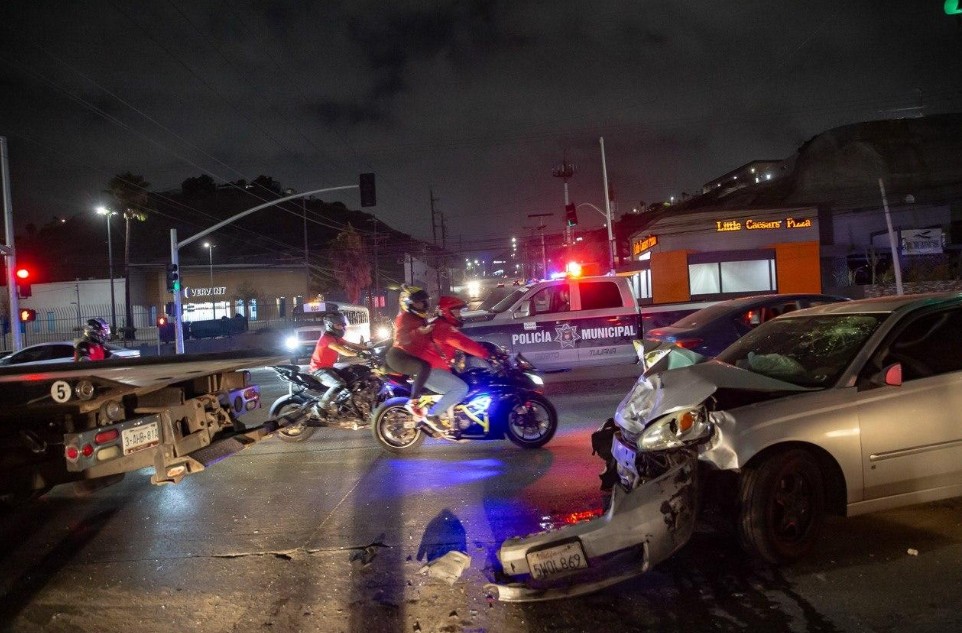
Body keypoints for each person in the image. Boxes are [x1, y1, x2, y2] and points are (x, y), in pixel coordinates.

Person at [418, 295, 496, 431]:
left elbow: (461, 344)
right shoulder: (444, 328)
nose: (459, 314)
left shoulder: (439, 324)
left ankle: (456, 415)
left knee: (471, 369)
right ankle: (432, 414)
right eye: (456, 311)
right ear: (446, 311)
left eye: (459, 311)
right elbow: (464, 343)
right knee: (461, 389)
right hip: (431, 371)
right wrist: (487, 354)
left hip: (432, 369)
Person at [385, 285, 434, 419]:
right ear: (409, 304)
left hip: (409, 355)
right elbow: (401, 339)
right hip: (399, 356)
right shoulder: (403, 318)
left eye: (423, 302)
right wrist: (419, 332)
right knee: (424, 367)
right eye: (418, 302)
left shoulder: (419, 318)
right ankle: (413, 402)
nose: (422, 305)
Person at [308, 311, 369, 414]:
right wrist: (358, 354)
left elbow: (351, 345)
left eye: (342, 325)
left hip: (328, 368)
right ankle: (320, 407)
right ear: (330, 325)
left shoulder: (335, 338)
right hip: (318, 370)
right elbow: (343, 350)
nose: (341, 327)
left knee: (351, 377)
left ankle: (343, 405)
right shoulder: (327, 339)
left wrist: (369, 348)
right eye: (338, 325)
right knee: (339, 384)